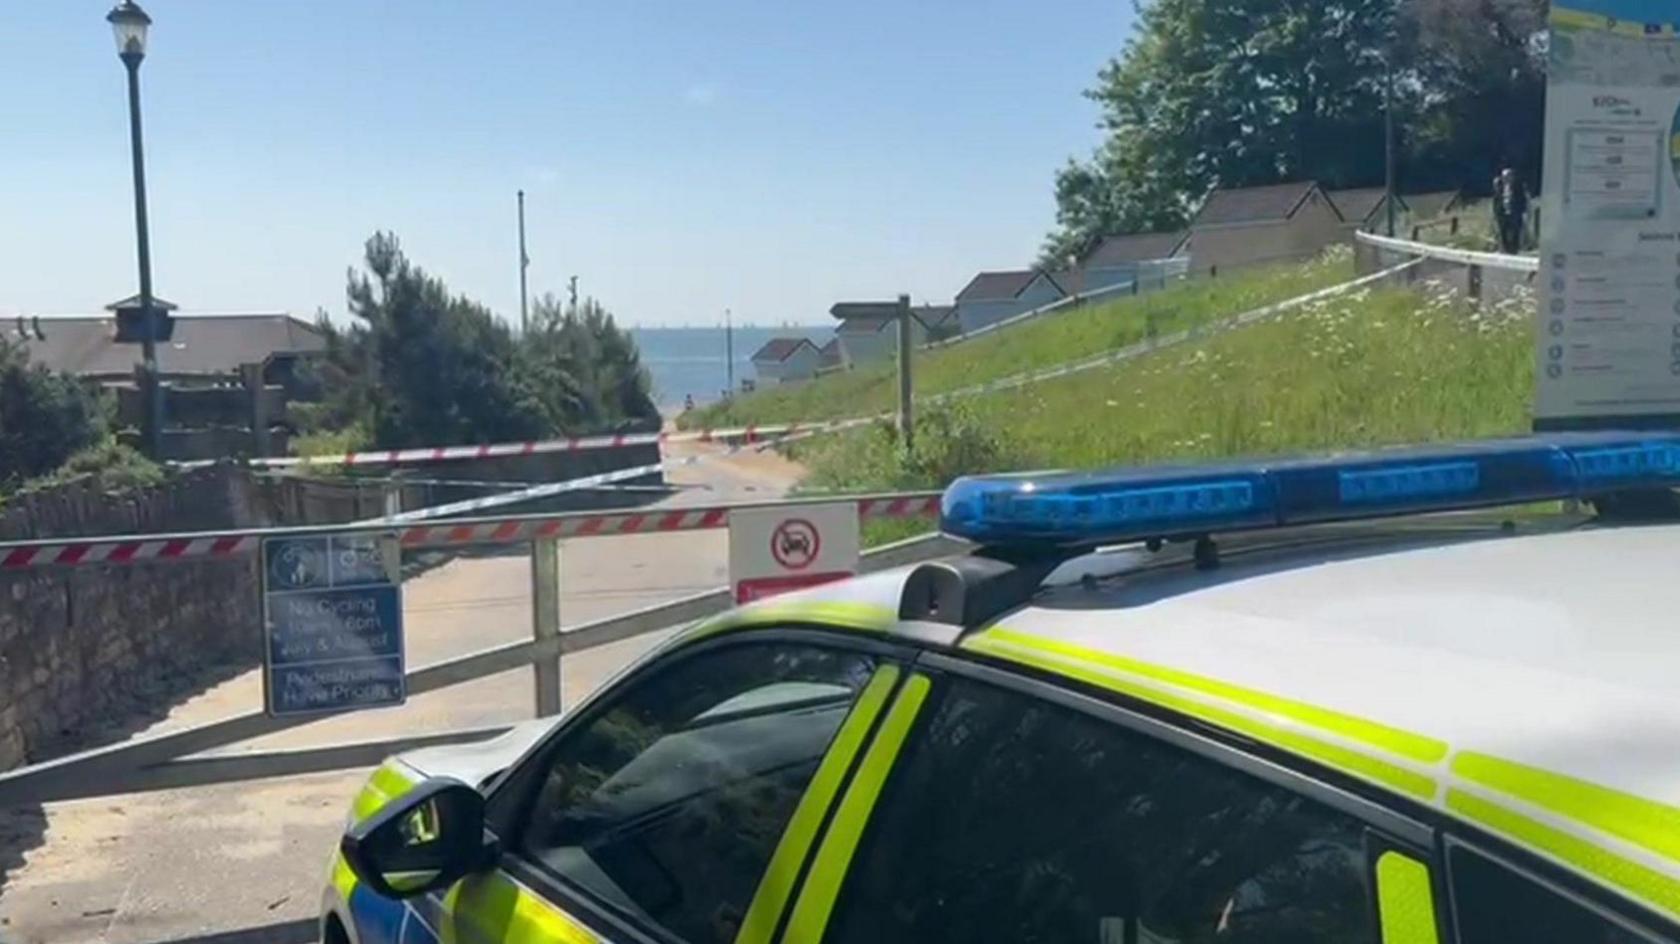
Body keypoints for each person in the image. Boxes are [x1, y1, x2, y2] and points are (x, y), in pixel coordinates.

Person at [1493, 167, 1529, 254]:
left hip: (1515, 213)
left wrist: (1523, 211)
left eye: (1508, 176)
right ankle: (1505, 248)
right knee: (1503, 231)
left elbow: (1522, 200)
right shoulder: (1500, 187)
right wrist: (1496, 212)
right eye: (1504, 176)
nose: (1506, 178)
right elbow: (1496, 200)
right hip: (1503, 213)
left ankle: (1514, 249)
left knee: (1515, 230)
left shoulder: (1518, 188)